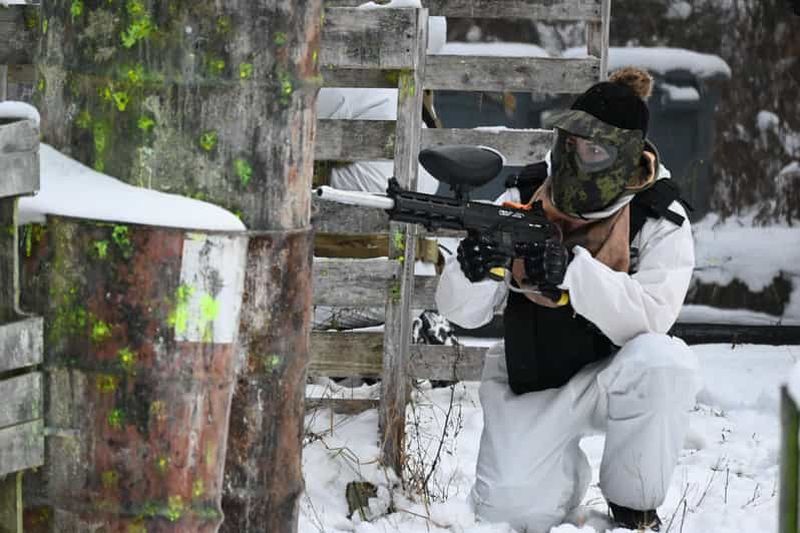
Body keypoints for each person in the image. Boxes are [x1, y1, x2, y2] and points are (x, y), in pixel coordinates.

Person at [435, 67, 700, 532]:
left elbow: (654, 316)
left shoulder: (658, 214)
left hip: (616, 374)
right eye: (572, 143)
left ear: (626, 157)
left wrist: (573, 273)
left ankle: (632, 501)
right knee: (510, 511)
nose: (579, 156)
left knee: (665, 364)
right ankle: (558, 476)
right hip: (536, 376)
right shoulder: (525, 195)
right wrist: (472, 270)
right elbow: (462, 313)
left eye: (594, 149)